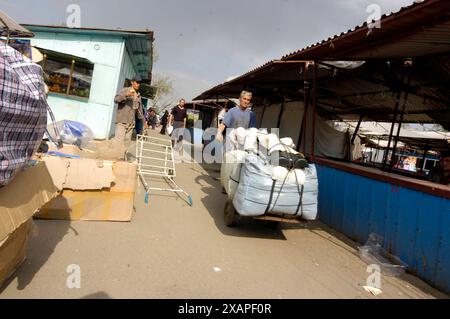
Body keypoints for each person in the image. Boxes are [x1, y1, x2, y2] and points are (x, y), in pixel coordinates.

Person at [113, 77, 144, 149]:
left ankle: (123, 158)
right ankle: (112, 156)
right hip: (122, 122)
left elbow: (140, 112)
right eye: (137, 82)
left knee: (127, 143)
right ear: (132, 82)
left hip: (131, 124)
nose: (138, 84)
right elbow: (116, 99)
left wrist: (144, 124)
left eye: (139, 83)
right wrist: (126, 95)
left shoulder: (138, 96)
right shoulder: (125, 90)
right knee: (118, 142)